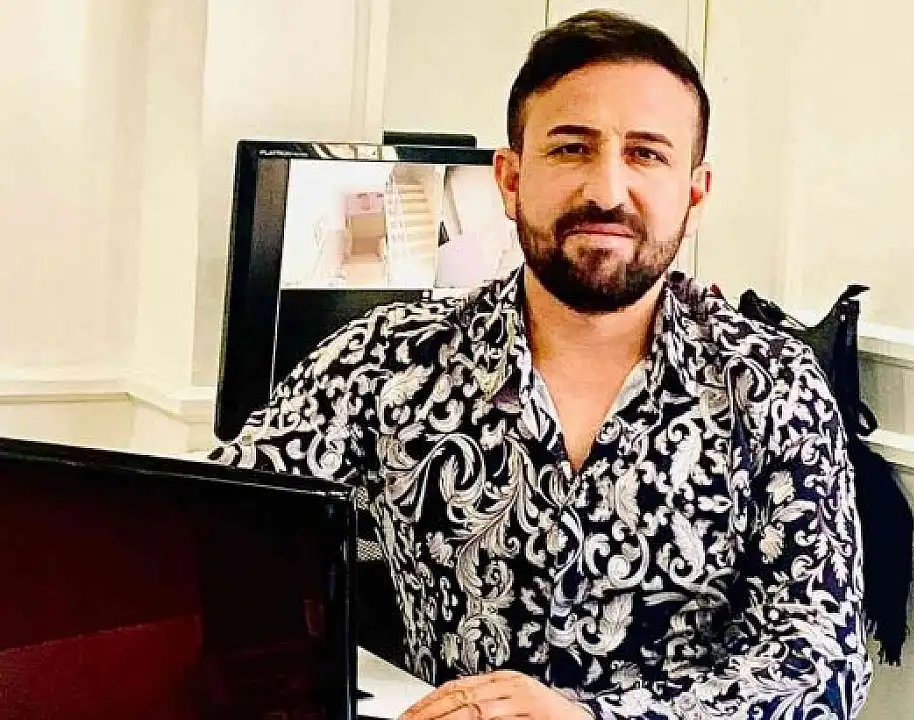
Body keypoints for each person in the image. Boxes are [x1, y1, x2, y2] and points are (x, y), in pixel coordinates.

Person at [212, 10, 870, 719]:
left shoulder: (771, 387)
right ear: (510, 178)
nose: (607, 191)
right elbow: (212, 531)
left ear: (695, 191)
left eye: (646, 154)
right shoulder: (387, 361)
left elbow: (822, 659)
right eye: (571, 149)